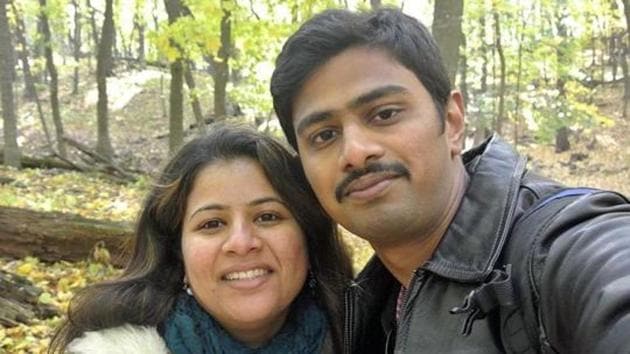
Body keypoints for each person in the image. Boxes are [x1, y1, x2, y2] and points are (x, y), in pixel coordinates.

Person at [270, 7, 630, 354]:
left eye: (384, 114)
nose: (355, 152)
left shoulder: (561, 250)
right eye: (324, 135)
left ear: (453, 121)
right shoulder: (362, 310)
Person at [49, 124, 353, 353]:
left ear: (308, 234)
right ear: (177, 250)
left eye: (267, 217)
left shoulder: (375, 335)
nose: (242, 242)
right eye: (212, 224)